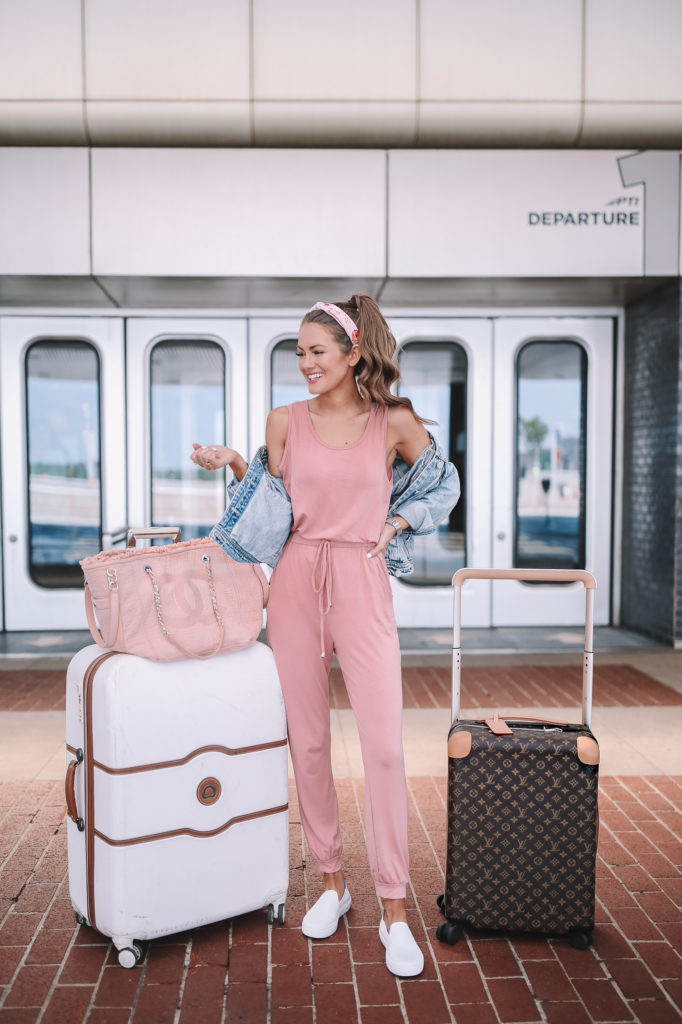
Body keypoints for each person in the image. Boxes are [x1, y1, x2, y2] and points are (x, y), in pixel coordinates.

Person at [191, 295, 460, 977]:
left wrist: (399, 524)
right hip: (296, 582)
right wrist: (235, 467)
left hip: (363, 580)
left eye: (317, 351)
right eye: (299, 353)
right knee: (306, 742)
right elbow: (275, 506)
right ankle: (333, 884)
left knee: (384, 750)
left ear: (353, 354)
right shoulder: (283, 423)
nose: (305, 364)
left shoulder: (392, 422)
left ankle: (394, 908)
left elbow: (443, 485)